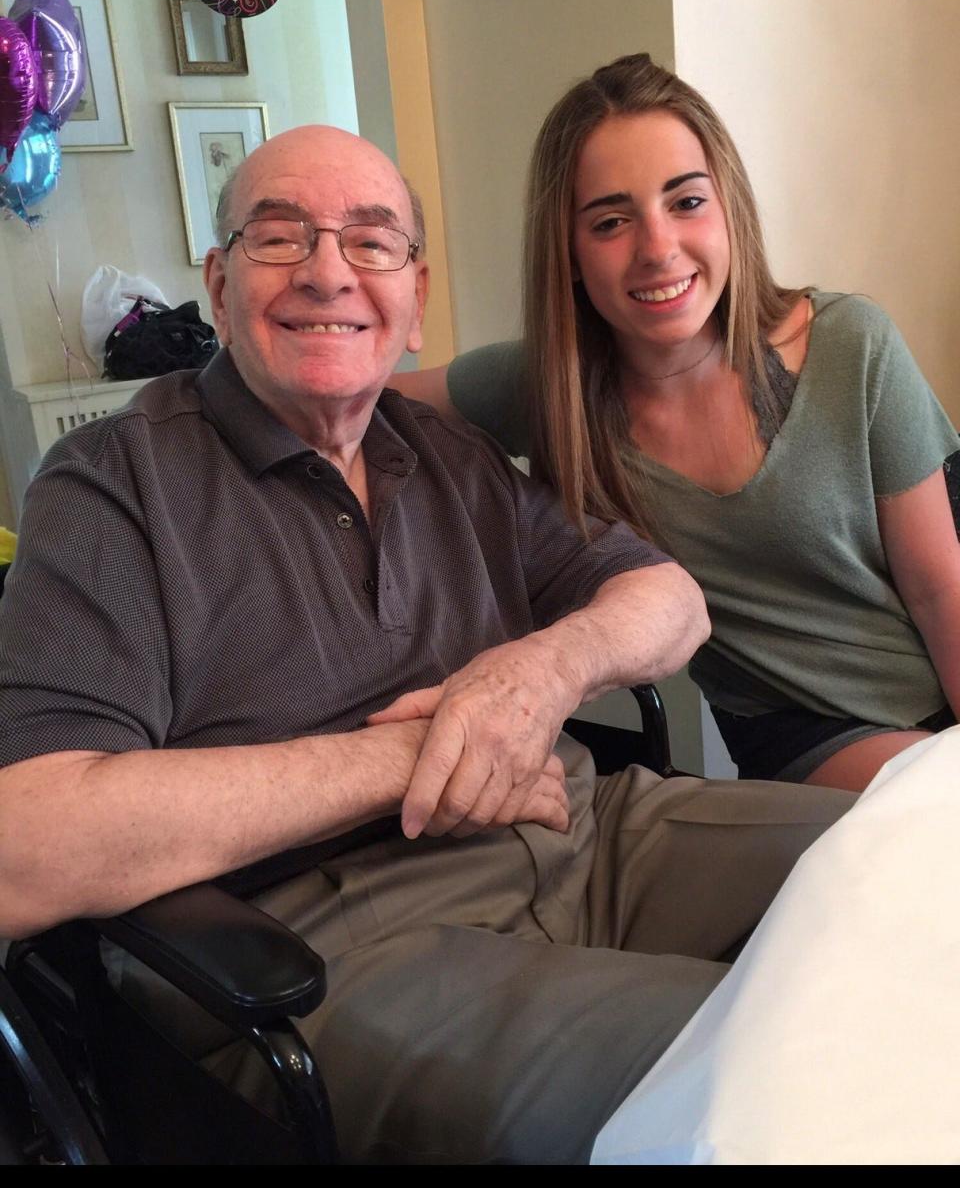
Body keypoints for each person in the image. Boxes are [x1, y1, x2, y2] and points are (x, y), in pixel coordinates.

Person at [0, 124, 851, 1165]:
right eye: (279, 238)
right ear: (218, 286)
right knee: (783, 1074)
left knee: (916, 871)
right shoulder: (110, 482)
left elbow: (671, 599)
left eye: (369, 240)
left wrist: (541, 668)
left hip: (590, 828)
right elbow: (25, 842)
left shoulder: (451, 451)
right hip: (332, 935)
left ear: (415, 296)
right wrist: (421, 752)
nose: (326, 271)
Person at [394, 53, 960, 793]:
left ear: (728, 208)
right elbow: (372, 389)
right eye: (611, 220)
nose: (658, 248)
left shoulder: (851, 344)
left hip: (933, 691)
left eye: (686, 202)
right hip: (797, 735)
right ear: (567, 252)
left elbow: (939, 587)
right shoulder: (548, 389)